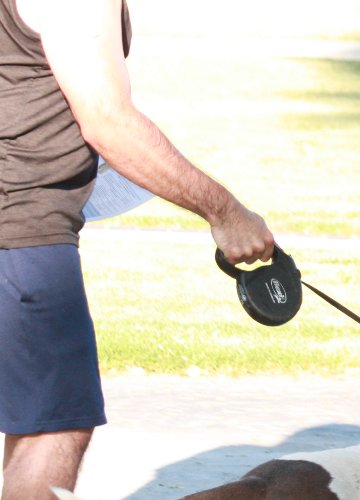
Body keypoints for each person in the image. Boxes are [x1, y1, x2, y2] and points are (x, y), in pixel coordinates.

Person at [1, 0, 276, 496]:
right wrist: (225, 213)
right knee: (52, 426)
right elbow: (108, 121)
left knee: (33, 417)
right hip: (19, 230)